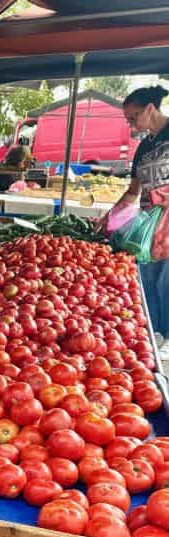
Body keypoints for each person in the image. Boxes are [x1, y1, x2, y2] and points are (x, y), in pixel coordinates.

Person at [112, 85, 169, 351]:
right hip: (148, 226)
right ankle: (154, 333)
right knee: (146, 277)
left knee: (164, 279)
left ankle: (163, 334)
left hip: (167, 224)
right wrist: (112, 216)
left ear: (150, 108)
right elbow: (134, 190)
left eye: (134, 117)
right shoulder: (143, 147)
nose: (131, 124)